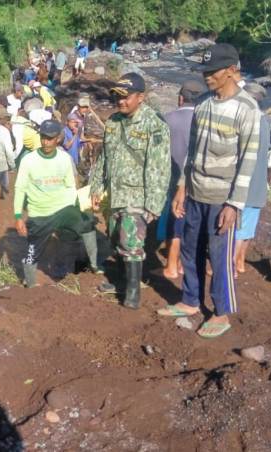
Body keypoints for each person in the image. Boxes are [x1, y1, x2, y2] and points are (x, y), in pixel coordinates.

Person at [166, 44, 262, 339]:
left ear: (232, 70)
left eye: (213, 71)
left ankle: (221, 312)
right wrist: (183, 186)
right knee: (191, 249)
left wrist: (234, 204)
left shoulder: (247, 109)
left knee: (219, 258)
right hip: (195, 192)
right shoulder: (204, 103)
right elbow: (192, 152)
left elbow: (248, 161)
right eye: (204, 71)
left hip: (223, 199)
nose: (207, 76)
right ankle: (191, 301)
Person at [90, 73, 171, 309]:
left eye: (126, 97)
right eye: (117, 97)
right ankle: (122, 282)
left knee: (131, 241)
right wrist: (96, 186)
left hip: (138, 195)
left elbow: (159, 166)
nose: (121, 101)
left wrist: (154, 204)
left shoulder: (154, 124)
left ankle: (133, 292)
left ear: (140, 97)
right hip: (115, 194)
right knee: (115, 237)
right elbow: (104, 157)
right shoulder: (113, 122)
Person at [14, 120, 101, 287]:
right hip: (40, 212)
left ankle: (94, 265)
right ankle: (30, 285)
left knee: (87, 223)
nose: (46, 142)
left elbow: (70, 186)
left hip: (62, 208)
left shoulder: (64, 159)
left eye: (50, 138)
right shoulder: (29, 160)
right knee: (33, 251)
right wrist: (18, 216)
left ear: (58, 139)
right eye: (43, 138)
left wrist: (76, 209)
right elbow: (19, 188)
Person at [159, 79, 208, 279]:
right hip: (197, 182)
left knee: (174, 221)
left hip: (171, 179)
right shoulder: (206, 122)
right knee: (189, 222)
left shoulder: (167, 119)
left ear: (180, 98)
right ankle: (180, 265)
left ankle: (171, 266)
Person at [234, 83, 271, 275]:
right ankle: (240, 261)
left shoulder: (247, 118)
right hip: (259, 183)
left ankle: (232, 263)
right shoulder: (265, 121)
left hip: (245, 182)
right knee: (248, 225)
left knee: (236, 226)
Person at [69, 96, 106, 171]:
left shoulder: (81, 115)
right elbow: (78, 137)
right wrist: (91, 140)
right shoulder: (74, 118)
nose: (84, 109)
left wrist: (92, 111)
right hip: (72, 144)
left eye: (86, 107)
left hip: (77, 140)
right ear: (78, 107)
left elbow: (99, 122)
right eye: (82, 107)